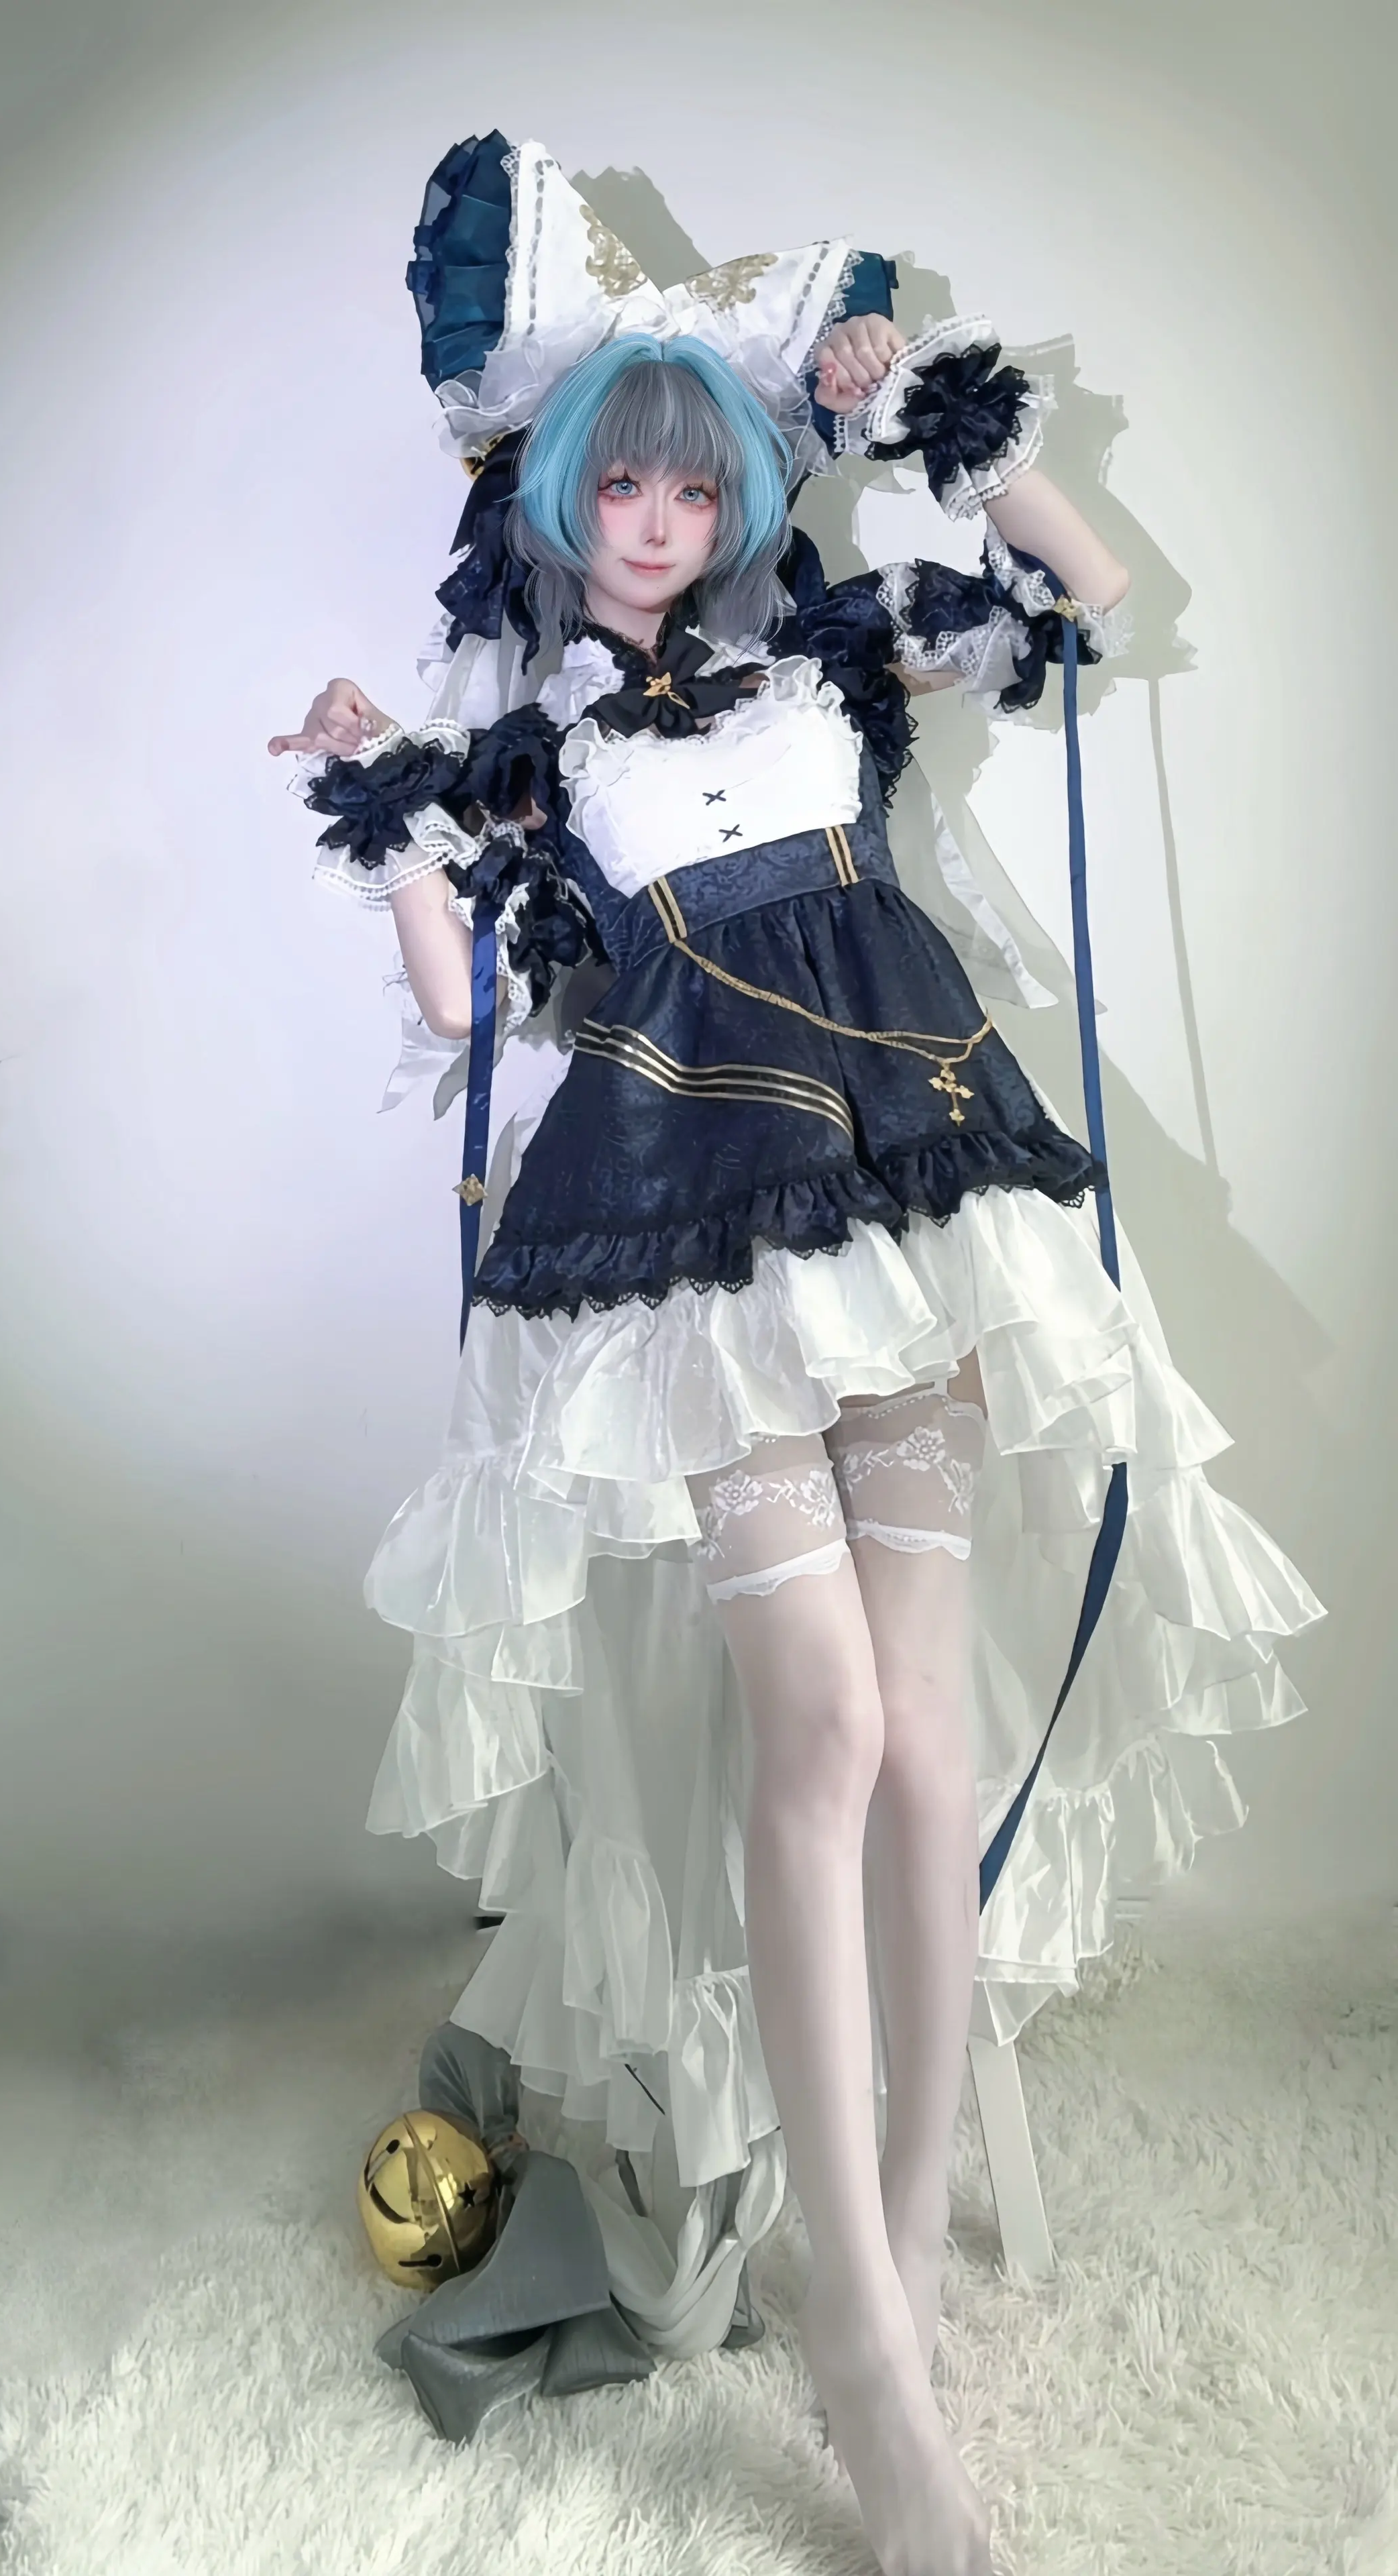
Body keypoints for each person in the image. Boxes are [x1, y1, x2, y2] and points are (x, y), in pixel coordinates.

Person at [269, 133, 1322, 2576]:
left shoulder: (833, 654)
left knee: (927, 1734)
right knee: (825, 1725)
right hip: (690, 1228)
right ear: (558, 499)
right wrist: (379, 811)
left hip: (912, 1175)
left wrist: (925, 396)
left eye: (688, 479)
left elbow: (1086, 583)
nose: (649, 517)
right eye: (612, 482)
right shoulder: (536, 743)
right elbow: (469, 1015)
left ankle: (893, 2279)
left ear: (738, 490)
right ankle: (856, 2329)